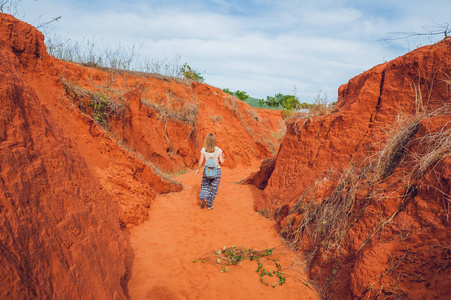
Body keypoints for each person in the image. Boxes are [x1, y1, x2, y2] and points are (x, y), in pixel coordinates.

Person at [196, 133, 225, 209]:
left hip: (207, 171)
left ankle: (205, 197)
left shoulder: (203, 149)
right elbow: (222, 161)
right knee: (214, 189)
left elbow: (201, 161)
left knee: (205, 186)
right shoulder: (219, 150)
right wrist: (223, 157)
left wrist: (198, 169)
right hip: (216, 171)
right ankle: (209, 205)